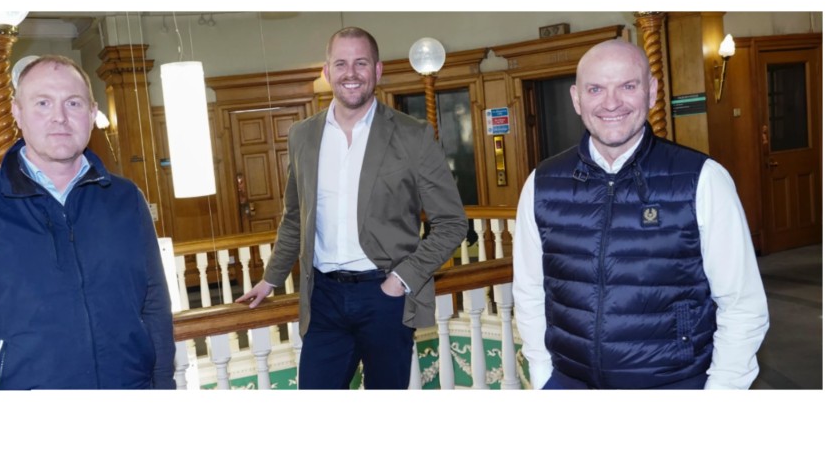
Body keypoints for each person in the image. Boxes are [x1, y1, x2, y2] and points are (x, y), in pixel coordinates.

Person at [513, 39, 769, 389]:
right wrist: (544, 373)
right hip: (568, 383)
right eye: (596, 89)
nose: (611, 102)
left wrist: (722, 390)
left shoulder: (703, 180)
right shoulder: (543, 183)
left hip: (674, 384)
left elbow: (742, 304)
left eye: (628, 86)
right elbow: (529, 290)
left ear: (651, 92)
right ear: (577, 99)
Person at [0, 55, 176, 389]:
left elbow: (154, 304)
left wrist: (163, 385)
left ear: (92, 112)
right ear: (17, 113)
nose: (60, 118)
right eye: (42, 103)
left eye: (73, 102)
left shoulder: (126, 200)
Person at [236, 27, 468, 389]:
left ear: (377, 70)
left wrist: (401, 280)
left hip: (385, 297)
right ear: (327, 72)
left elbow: (452, 223)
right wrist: (271, 278)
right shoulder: (302, 136)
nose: (351, 73)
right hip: (323, 298)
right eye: (341, 63)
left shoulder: (413, 134)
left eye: (361, 63)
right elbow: (295, 218)